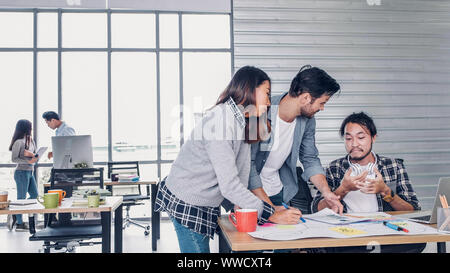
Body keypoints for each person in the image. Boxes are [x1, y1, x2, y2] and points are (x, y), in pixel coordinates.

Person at [154, 66, 302, 253]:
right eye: (266, 93)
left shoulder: (242, 120)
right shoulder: (221, 121)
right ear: (249, 90)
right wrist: (270, 214)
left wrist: (258, 207)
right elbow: (230, 185)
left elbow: (241, 172)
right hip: (187, 200)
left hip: (204, 201)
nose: (269, 101)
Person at [311, 112, 425, 253]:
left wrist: (385, 191)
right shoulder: (335, 167)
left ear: (373, 138)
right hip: (348, 236)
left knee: (417, 243)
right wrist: (343, 189)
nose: (354, 144)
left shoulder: (394, 166)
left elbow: (413, 210)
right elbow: (316, 209)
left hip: (385, 234)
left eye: (361, 137)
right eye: (348, 138)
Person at [248, 65, 344, 215]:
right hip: (250, 194)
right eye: (322, 103)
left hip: (277, 192)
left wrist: (326, 192)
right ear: (306, 98)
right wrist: (271, 211)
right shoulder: (260, 111)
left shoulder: (307, 121)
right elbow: (248, 164)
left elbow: (309, 158)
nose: (322, 108)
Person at [7, 119, 39, 231]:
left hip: (30, 172)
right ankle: (19, 224)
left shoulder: (31, 141)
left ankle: (15, 213)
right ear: (25, 128)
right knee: (21, 198)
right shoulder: (19, 142)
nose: (32, 129)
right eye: (30, 127)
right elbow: (14, 159)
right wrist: (28, 161)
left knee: (35, 195)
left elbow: (33, 156)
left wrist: (34, 156)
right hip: (21, 172)